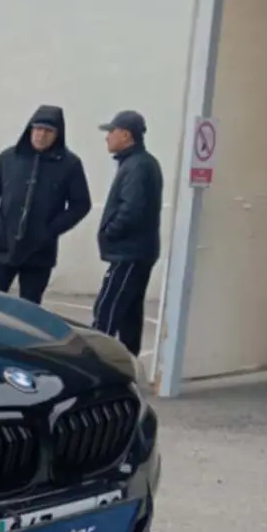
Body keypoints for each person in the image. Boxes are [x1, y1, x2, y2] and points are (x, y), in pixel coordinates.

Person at [0, 105, 92, 303]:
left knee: (30, 306)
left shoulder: (70, 164)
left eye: (48, 131)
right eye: (37, 129)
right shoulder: (8, 158)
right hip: (4, 246)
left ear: (57, 134)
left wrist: (51, 230)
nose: (41, 135)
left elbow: (81, 204)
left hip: (39, 251)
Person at [93, 110, 164, 355]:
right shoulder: (139, 163)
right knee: (129, 314)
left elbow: (131, 209)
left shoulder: (137, 166)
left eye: (111, 132)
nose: (107, 137)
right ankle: (128, 362)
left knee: (107, 310)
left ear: (126, 135)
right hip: (137, 251)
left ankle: (97, 362)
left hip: (129, 253)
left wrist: (110, 232)